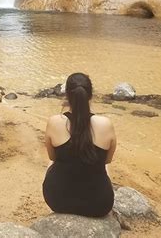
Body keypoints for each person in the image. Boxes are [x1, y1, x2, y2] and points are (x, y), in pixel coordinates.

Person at [43, 72, 116, 217]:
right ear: (90, 95)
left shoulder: (54, 122)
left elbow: (52, 157)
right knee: (104, 165)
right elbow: (107, 160)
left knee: (52, 162)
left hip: (58, 200)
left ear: (67, 96)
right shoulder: (106, 124)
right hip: (98, 205)